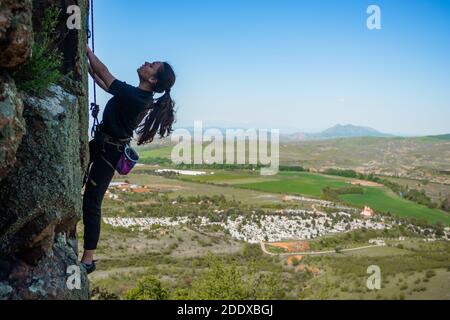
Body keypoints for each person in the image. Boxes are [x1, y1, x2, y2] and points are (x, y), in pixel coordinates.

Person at [81, 46, 176, 274]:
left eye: (152, 65)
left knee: (92, 203)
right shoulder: (137, 95)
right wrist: (86, 66)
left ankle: (88, 260)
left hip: (108, 153)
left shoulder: (138, 98)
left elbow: (106, 75)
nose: (146, 62)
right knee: (84, 190)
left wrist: (86, 51)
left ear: (153, 79)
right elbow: (104, 83)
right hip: (103, 146)